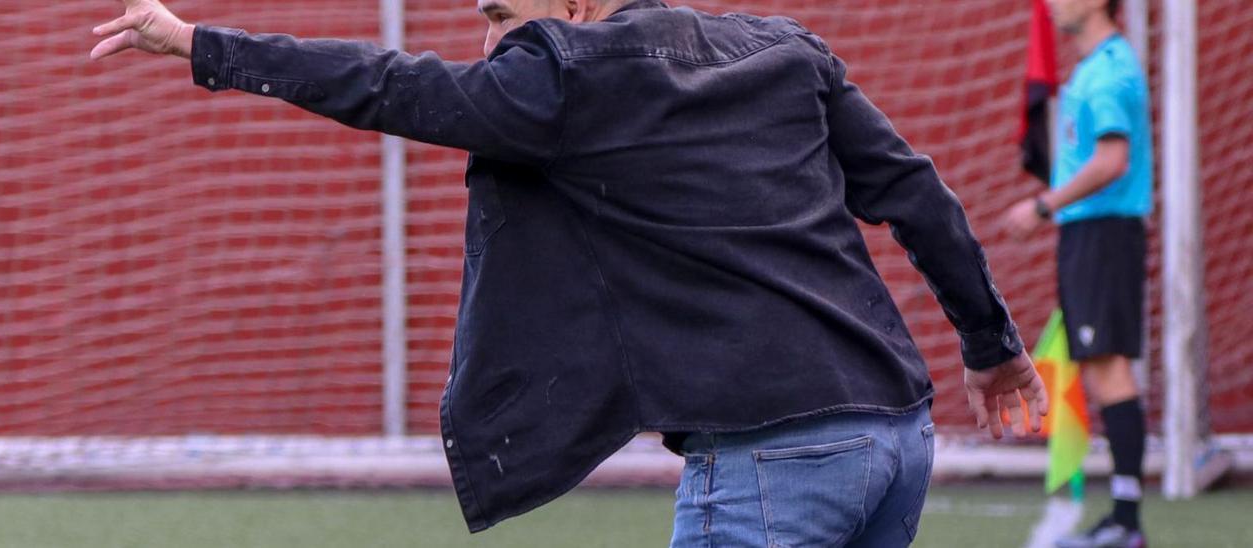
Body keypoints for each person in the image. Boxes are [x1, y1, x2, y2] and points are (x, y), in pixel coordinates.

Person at [93, 1, 1048, 545]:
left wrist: (200, 44)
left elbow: (388, 85)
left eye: (505, 15)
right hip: (896, 436)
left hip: (773, 460)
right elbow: (916, 193)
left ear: (581, 7)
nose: (491, 45)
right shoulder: (786, 49)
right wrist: (995, 348)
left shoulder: (566, 79)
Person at [1005, 0, 1151, 546]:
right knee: (1099, 367)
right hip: (1090, 235)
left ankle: (1128, 523)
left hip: (1105, 233)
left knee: (1110, 369)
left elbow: (1114, 160)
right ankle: (1123, 518)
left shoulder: (1111, 69)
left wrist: (1044, 205)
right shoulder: (1094, 67)